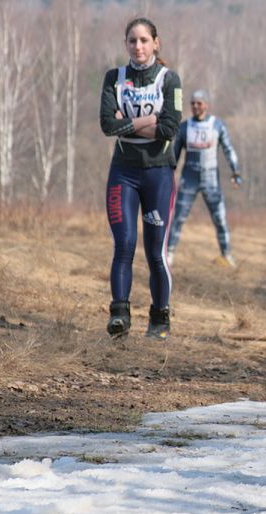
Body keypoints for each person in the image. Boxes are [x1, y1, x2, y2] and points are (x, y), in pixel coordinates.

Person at [99, 17, 181, 339]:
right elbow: (107, 125)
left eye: (144, 40)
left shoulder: (169, 79)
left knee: (155, 251)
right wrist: (149, 121)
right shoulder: (114, 79)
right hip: (123, 173)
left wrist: (130, 122)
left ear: (155, 43)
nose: (138, 46)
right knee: (124, 245)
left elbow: (170, 128)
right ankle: (119, 316)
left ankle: (160, 319)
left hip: (159, 173)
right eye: (132, 41)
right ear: (126, 45)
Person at [168, 89, 242, 267]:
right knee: (179, 216)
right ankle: (169, 253)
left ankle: (226, 254)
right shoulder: (184, 127)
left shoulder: (217, 125)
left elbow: (228, 149)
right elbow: (174, 154)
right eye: (192, 103)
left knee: (220, 218)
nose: (195, 106)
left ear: (206, 105)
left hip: (211, 179)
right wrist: (167, 174)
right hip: (189, 178)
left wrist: (236, 171)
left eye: (199, 103)